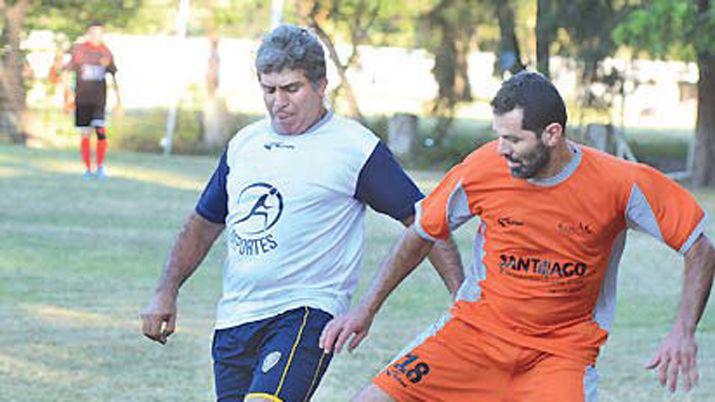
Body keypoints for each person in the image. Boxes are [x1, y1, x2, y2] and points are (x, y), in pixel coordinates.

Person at [320, 71, 715, 402]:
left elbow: (698, 246)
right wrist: (365, 310)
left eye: (513, 139)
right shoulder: (482, 168)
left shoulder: (619, 183)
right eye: (498, 137)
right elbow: (422, 232)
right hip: (473, 337)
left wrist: (683, 331)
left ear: (552, 134)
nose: (502, 150)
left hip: (560, 355)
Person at [139, 24, 463, 402]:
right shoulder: (246, 143)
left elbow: (424, 219)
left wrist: (462, 296)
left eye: (291, 88)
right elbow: (204, 224)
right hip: (235, 318)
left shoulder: (354, 148)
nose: (279, 101)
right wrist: (166, 290)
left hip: (306, 312)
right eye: (269, 89)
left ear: (321, 85)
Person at [63, 21, 121, 179]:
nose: (96, 36)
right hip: (82, 99)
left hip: (99, 100)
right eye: (93, 32)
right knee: (85, 133)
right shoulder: (79, 50)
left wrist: (119, 101)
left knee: (101, 131)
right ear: (88, 33)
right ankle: (88, 169)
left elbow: (114, 76)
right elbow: (67, 73)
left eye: (99, 33)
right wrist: (67, 96)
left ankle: (100, 167)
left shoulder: (106, 52)